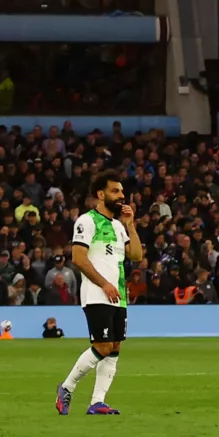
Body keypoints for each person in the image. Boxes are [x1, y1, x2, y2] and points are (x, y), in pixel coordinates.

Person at [56, 172, 141, 416]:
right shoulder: (87, 221)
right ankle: (67, 386)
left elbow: (136, 256)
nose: (121, 196)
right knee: (102, 346)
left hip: (118, 296)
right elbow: (79, 258)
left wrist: (131, 226)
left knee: (114, 347)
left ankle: (97, 402)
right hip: (97, 293)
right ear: (101, 195)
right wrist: (104, 284)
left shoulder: (118, 226)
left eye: (122, 192)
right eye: (116, 191)